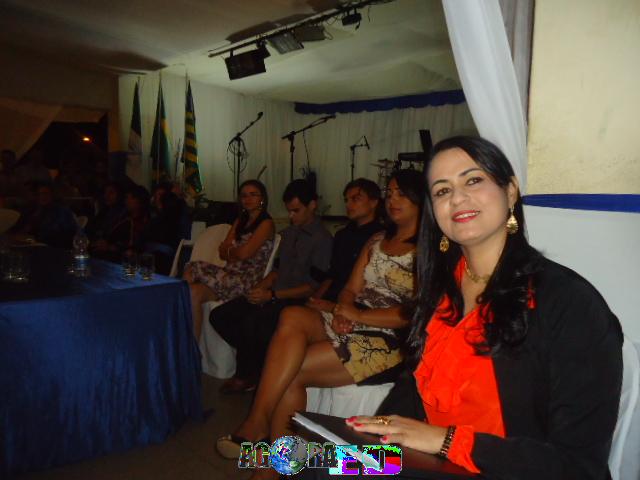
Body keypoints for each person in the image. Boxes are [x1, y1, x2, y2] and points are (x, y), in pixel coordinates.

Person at [344, 136, 623, 479]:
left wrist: (446, 441)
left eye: (473, 180)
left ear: (510, 191)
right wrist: (368, 441)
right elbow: (412, 392)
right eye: (442, 190)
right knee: (303, 458)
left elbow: (579, 467)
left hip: (498, 471)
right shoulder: (440, 291)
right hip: (423, 464)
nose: (457, 197)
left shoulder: (568, 303)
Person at [216, 170, 427, 477]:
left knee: (291, 371)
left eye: (402, 194)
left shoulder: (428, 250)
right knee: (291, 315)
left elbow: (415, 313)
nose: (393, 199)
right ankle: (259, 421)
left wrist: (357, 315)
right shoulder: (377, 239)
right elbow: (349, 288)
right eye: (390, 193)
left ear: (421, 199)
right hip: (353, 318)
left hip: (391, 337)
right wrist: (343, 310)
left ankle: (271, 466)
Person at [211, 179, 333, 395]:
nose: (291, 216)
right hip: (275, 293)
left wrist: (272, 295)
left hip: (295, 299)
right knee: (220, 315)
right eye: (289, 211)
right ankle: (258, 362)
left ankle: (246, 374)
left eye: (296, 211)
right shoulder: (288, 234)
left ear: (312, 205)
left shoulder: (322, 239)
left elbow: (312, 287)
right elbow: (276, 270)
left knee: (251, 322)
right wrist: (260, 288)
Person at [183, 180, 275, 339]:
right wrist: (233, 251)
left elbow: (244, 253)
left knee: (193, 269)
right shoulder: (240, 221)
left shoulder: (266, 223)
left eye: (253, 195)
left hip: (246, 281)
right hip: (228, 275)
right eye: (244, 195)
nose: (248, 199)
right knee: (192, 290)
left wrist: (231, 251)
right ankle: (190, 348)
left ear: (262, 198)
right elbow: (222, 252)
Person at [306, 178, 384, 314]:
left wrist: (335, 307)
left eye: (355, 199)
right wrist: (315, 299)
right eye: (346, 200)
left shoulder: (380, 237)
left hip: (359, 303)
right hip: (333, 295)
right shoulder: (343, 235)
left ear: (373, 202)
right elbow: (332, 274)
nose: (348, 204)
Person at [91, 185, 150, 262]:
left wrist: (110, 247)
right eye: (126, 198)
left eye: (130, 198)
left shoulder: (143, 221)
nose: (127, 201)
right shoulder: (124, 217)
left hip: (125, 259)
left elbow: (133, 247)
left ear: (139, 201)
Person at [12, 182, 77, 248]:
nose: (42, 196)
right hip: (35, 244)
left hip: (53, 246)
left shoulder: (60, 210)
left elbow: (60, 234)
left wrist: (34, 237)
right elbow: (21, 227)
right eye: (39, 194)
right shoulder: (33, 209)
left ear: (52, 194)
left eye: (45, 193)